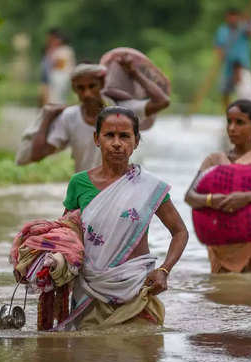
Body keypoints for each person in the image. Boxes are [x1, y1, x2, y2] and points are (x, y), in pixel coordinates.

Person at [51, 106, 189, 330]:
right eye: (109, 135)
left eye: (124, 136)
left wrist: (164, 270)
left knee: (139, 352)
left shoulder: (150, 186)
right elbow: (66, 233)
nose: (117, 143)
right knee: (90, 356)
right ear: (97, 139)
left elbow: (180, 232)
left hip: (137, 289)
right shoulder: (79, 183)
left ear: (136, 141)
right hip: (90, 290)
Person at [185, 99, 251, 274]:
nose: (232, 128)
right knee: (223, 295)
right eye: (229, 122)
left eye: (240, 122)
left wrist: (246, 198)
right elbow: (190, 196)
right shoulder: (214, 160)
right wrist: (211, 200)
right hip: (223, 245)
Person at [28, 59, 170, 173]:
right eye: (81, 88)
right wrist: (46, 118)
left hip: (120, 187)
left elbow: (162, 101)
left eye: (92, 86)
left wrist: (135, 74)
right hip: (87, 190)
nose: (87, 93)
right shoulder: (69, 117)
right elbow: (37, 155)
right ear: (74, 89)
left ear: (102, 84)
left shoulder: (123, 110)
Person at [215, 8, 251, 109]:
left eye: (234, 17)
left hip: (242, 66)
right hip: (229, 67)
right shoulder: (222, 30)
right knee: (225, 91)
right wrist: (220, 55)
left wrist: (248, 21)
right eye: (230, 17)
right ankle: (228, 112)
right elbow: (218, 47)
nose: (232, 19)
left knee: (244, 91)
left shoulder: (243, 28)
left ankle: (245, 113)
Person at [39, 28, 75, 105]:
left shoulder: (63, 50)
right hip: (58, 77)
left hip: (61, 76)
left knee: (58, 98)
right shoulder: (61, 50)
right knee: (56, 97)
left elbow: (60, 64)